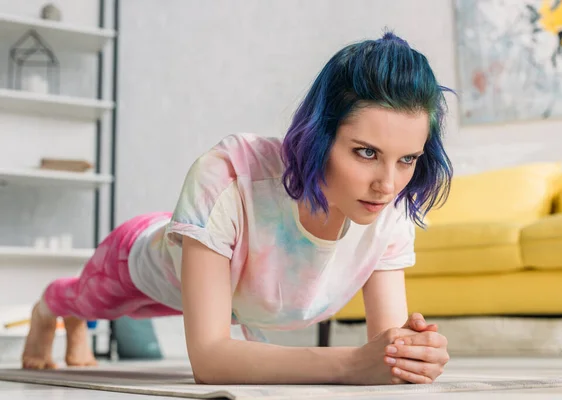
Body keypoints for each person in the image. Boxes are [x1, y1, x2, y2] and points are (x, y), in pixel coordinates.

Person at [22, 29, 453, 385]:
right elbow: (209, 359)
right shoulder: (227, 176)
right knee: (86, 300)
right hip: (143, 256)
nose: (387, 184)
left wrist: (411, 355)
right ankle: (49, 312)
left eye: (408, 160)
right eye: (365, 152)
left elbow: (387, 350)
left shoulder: (391, 210)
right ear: (318, 135)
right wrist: (349, 364)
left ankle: (76, 320)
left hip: (231, 296)